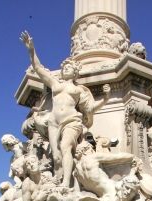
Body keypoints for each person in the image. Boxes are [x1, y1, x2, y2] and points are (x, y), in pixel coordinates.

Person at [20, 30, 110, 187]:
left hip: (71, 120)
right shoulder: (55, 84)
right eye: (65, 67)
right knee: (56, 156)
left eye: (70, 68)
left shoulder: (79, 90)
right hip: (54, 121)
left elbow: (89, 108)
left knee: (65, 147)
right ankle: (58, 179)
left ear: (75, 73)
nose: (66, 69)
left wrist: (106, 98)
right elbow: (39, 68)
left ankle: (66, 183)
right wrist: (31, 49)